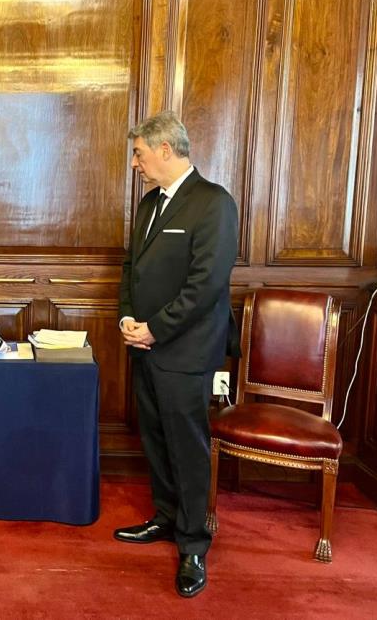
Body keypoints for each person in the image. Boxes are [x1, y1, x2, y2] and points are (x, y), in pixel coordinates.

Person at [115, 111, 238, 598]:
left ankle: (192, 544)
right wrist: (127, 318)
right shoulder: (149, 204)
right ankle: (166, 519)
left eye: (139, 153)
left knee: (187, 448)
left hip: (184, 351)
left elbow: (205, 286)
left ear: (166, 150)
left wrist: (155, 330)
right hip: (144, 346)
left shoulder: (214, 204)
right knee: (156, 439)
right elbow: (132, 267)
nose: (134, 163)